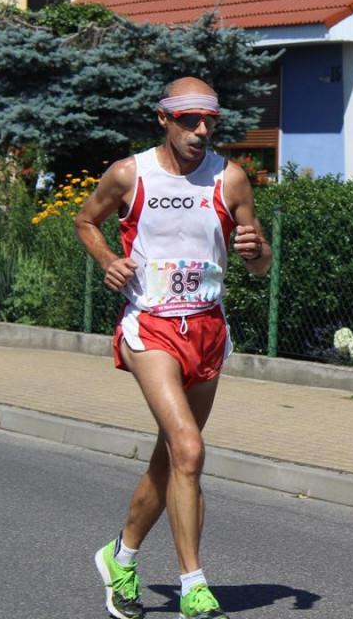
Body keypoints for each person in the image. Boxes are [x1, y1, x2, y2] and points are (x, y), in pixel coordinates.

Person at [75, 76, 271, 619]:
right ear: (163, 118)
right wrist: (107, 260)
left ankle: (120, 556)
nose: (201, 130)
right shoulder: (130, 174)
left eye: (210, 120)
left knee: (172, 460)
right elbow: (85, 220)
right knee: (188, 448)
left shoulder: (231, 178)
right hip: (151, 327)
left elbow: (260, 262)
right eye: (189, 120)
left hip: (207, 329)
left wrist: (256, 249)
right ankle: (194, 587)